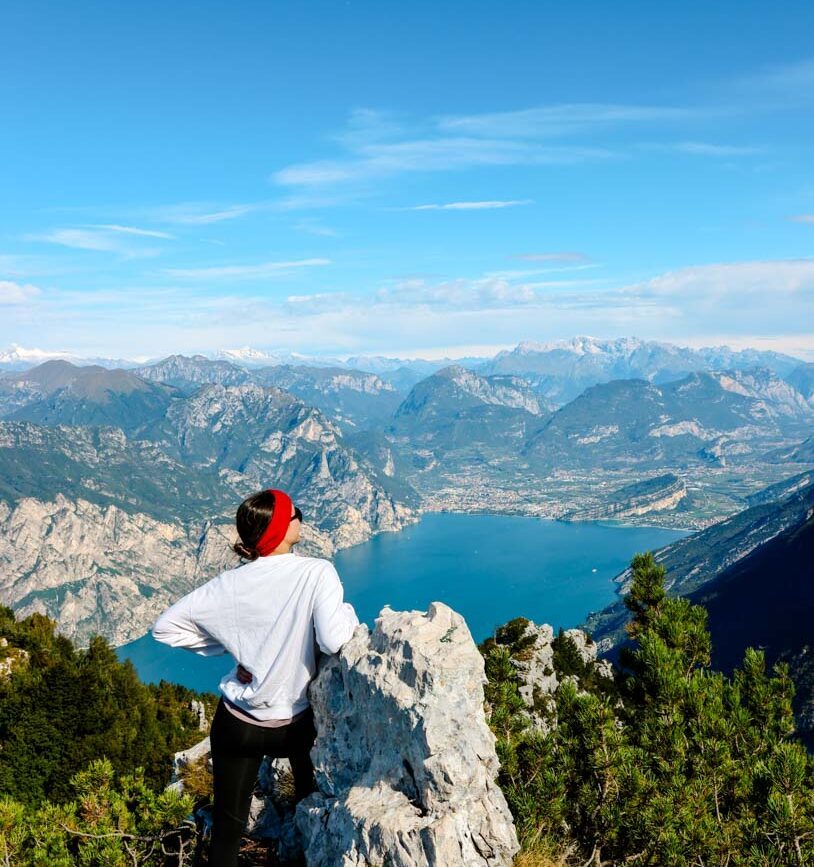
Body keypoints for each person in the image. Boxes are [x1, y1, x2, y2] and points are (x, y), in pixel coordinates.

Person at [151, 488, 359, 866]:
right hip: (295, 726)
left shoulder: (230, 584)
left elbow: (164, 628)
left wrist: (232, 647)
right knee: (311, 808)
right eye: (296, 512)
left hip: (237, 724)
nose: (301, 517)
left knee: (228, 830)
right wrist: (347, 611)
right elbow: (334, 638)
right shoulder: (316, 572)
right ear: (281, 528)